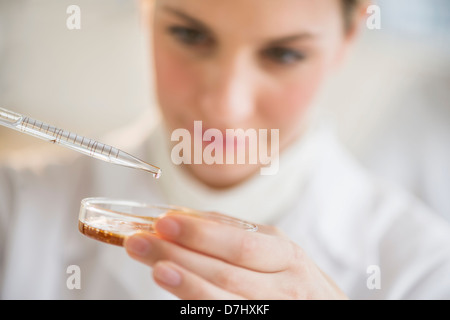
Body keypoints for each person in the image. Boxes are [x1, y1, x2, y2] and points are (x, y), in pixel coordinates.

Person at [1, 0, 450, 300]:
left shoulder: (426, 271)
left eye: (284, 55)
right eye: (189, 35)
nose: (225, 105)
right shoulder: (16, 213)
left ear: (349, 36)